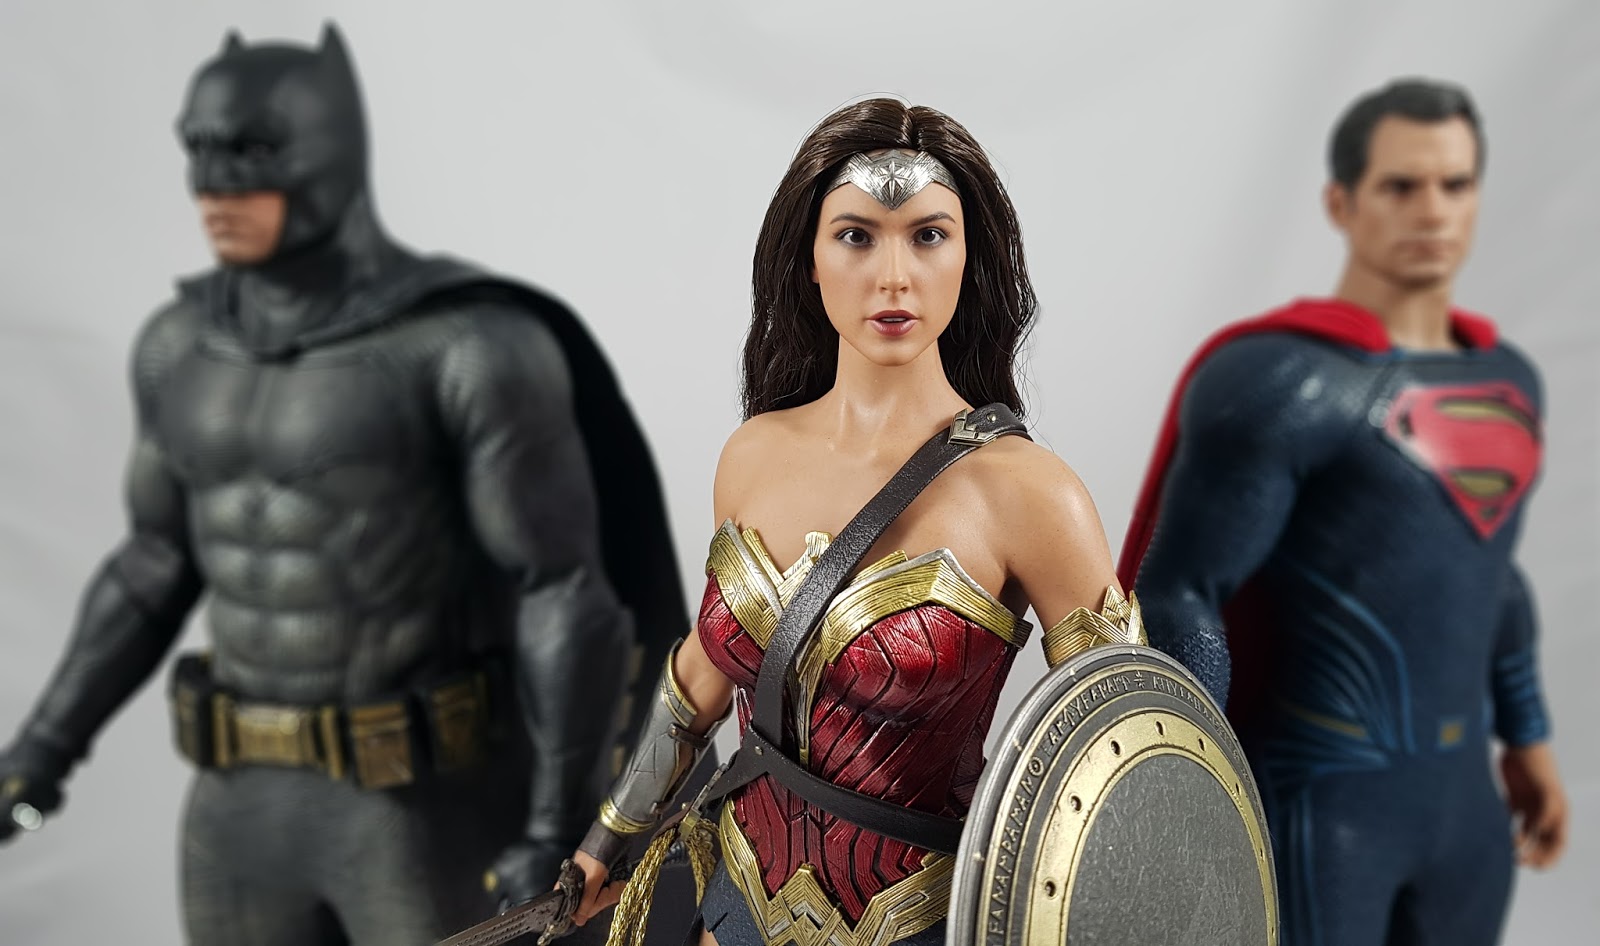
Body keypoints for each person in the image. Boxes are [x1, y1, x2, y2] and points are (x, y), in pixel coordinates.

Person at [0, 23, 690, 946]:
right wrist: (41, 750)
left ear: (331, 152)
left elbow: (562, 591)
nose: (213, 183)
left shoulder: (468, 347)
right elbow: (152, 565)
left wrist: (560, 824)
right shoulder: (178, 349)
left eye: (251, 151)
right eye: (198, 149)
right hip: (236, 810)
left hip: (418, 810)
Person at [556, 98, 1141, 946]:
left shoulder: (1031, 495)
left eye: (928, 235)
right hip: (734, 911)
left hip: (921, 920)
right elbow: (704, 675)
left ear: (969, 256)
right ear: (810, 258)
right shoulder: (751, 456)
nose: (893, 276)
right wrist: (607, 839)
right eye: (857, 236)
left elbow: (1121, 759)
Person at [1118, 78, 1569, 945]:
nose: (1432, 210)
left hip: (1466, 805)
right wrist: (1185, 787)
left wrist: (1529, 738)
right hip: (1321, 800)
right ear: (1342, 202)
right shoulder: (1283, 382)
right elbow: (1182, 592)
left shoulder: (1509, 381)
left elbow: (1493, 580)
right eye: (1401, 185)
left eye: (1455, 184)